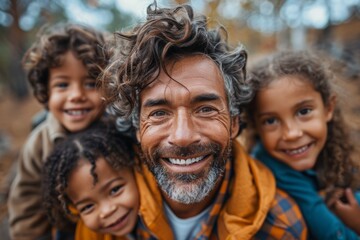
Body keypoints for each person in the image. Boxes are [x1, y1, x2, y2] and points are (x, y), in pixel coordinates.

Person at [99, 3, 308, 239]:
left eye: (205, 109)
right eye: (159, 113)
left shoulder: (280, 227)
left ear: (234, 123)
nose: (182, 136)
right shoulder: (103, 213)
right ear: (137, 129)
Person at [7, 23, 108, 239]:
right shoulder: (38, 144)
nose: (76, 95)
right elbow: (27, 211)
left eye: (91, 83)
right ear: (46, 90)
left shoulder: (119, 129)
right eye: (63, 85)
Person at [247, 50, 360, 239]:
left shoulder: (336, 147)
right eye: (271, 121)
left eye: (303, 111)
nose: (291, 134)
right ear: (256, 127)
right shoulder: (274, 168)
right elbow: (334, 235)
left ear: (328, 108)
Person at [42, 121, 139, 240]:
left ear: (135, 170)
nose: (107, 211)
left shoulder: (165, 209)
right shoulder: (84, 235)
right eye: (87, 207)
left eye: (115, 190)